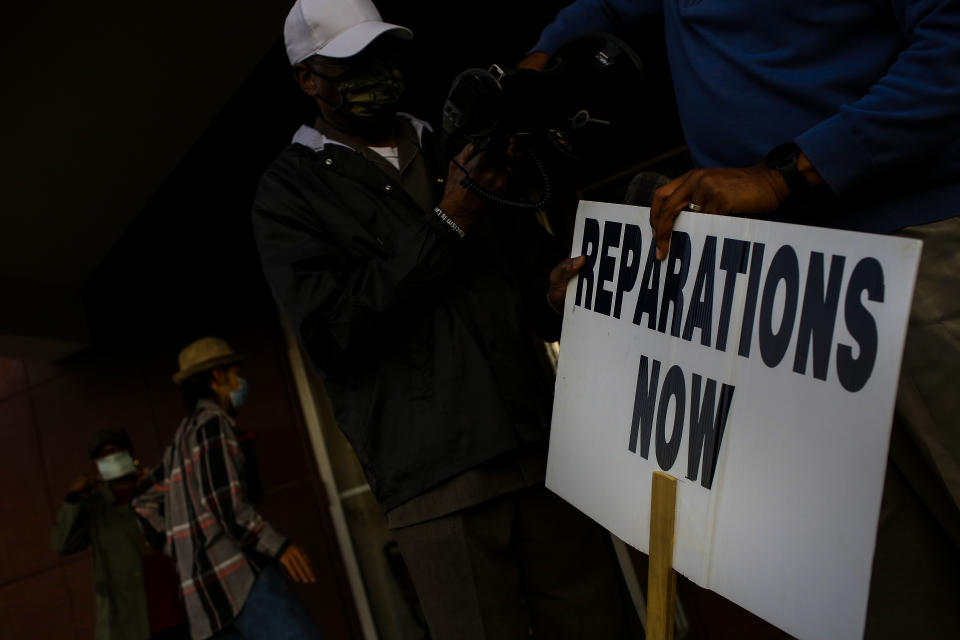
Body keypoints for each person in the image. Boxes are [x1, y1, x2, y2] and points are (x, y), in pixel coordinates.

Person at [526, 1, 960, 636]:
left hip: (910, 247)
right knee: (881, 586)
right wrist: (535, 67)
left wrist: (789, 173)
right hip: (787, 300)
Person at [251, 0, 639, 637]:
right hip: (439, 489)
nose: (376, 70)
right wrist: (448, 219)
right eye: (352, 61)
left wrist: (555, 293)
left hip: (540, 457)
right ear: (308, 79)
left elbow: (529, 289)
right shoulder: (289, 193)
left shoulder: (453, 145)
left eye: (381, 52)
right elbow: (333, 334)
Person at [131, 337, 322, 640]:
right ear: (217, 377)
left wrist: (181, 545)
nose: (240, 383)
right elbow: (225, 504)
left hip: (203, 604)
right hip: (240, 580)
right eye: (234, 374)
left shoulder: (180, 440)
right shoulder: (213, 425)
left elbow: (142, 501)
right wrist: (280, 546)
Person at [51, 428, 189, 640]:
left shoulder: (156, 490)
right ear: (96, 465)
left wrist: (152, 480)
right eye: (103, 455)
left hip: (180, 611)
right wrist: (74, 496)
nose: (111, 457)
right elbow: (62, 544)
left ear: (130, 454)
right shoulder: (96, 509)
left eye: (116, 450)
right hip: (130, 623)